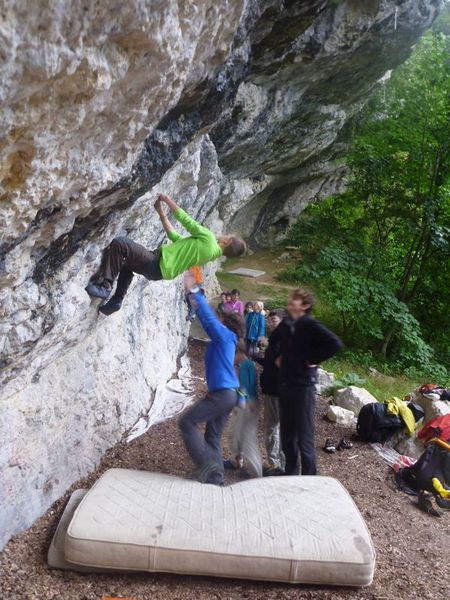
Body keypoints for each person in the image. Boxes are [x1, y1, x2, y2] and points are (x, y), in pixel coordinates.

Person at [85, 194, 246, 315]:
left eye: (228, 235)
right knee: (126, 264)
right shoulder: (210, 255)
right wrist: (161, 213)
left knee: (120, 244)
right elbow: (175, 237)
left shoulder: (209, 239)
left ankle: (105, 286)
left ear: (228, 241)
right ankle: (117, 300)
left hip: (156, 262)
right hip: (159, 272)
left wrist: (166, 199)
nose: (225, 235)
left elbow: (186, 220)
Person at [179, 273, 244, 485]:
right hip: (227, 394)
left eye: (220, 318)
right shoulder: (228, 341)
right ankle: (217, 479)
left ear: (224, 322)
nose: (218, 319)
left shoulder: (224, 336)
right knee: (212, 437)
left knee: (186, 422)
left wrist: (194, 291)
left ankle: (207, 468)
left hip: (224, 395)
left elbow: (207, 319)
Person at [276, 288, 343, 476]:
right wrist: (283, 358)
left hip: (302, 387)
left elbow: (334, 343)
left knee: (304, 436)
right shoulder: (290, 324)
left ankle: (310, 479)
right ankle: (290, 474)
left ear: (305, 305)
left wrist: (312, 359)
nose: (291, 301)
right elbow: (292, 349)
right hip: (287, 385)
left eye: (295, 299)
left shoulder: (310, 324)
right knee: (287, 436)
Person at [224, 341, 263, 478]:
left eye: (233, 354)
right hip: (248, 403)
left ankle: (256, 472)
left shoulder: (245, 366)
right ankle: (236, 460)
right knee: (236, 433)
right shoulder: (248, 365)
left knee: (246, 438)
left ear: (240, 353)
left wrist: (241, 403)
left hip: (246, 405)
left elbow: (244, 387)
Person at [254, 309, 286, 476]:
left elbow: (276, 364)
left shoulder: (283, 339)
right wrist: (258, 357)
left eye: (274, 320)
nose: (271, 323)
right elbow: (270, 362)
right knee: (273, 427)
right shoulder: (275, 338)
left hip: (278, 391)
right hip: (272, 389)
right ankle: (276, 464)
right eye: (270, 320)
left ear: (282, 321)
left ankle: (281, 465)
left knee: (275, 427)